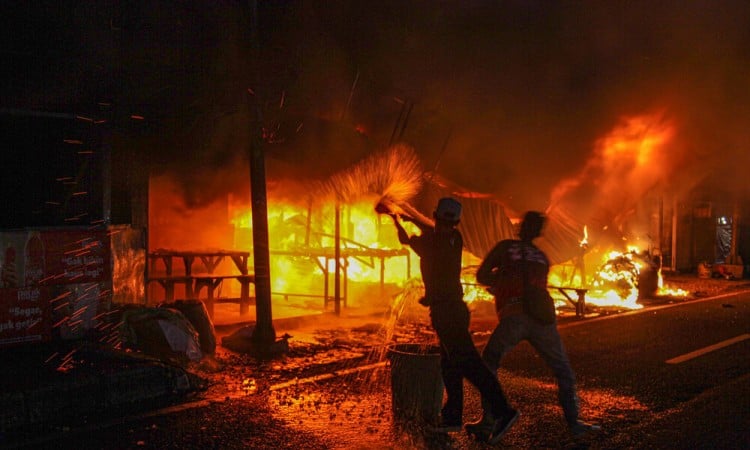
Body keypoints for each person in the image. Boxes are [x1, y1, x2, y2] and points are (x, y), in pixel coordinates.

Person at [386, 197, 519, 444]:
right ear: (457, 222)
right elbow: (430, 231)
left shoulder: (431, 242)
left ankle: (504, 411)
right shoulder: (455, 239)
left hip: (447, 313)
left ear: (435, 215)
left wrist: (394, 217)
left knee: (470, 365)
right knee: (450, 365)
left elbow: (406, 239)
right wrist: (409, 217)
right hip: (454, 309)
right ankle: (452, 416)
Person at [470, 211, 600, 437]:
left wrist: (500, 282)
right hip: (543, 320)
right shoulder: (542, 257)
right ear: (539, 232)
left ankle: (490, 420)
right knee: (563, 370)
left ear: (520, 227)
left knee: (489, 362)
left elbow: (481, 276)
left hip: (514, 315)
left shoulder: (505, 247)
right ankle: (575, 423)